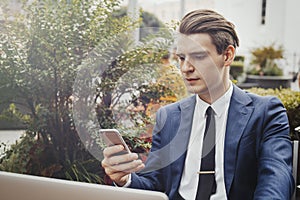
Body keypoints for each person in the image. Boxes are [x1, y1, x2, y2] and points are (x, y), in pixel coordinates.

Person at [101, 9, 294, 199]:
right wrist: (125, 178)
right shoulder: (168, 117)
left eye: (199, 56)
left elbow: (276, 179)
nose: (186, 68)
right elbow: (154, 184)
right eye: (182, 58)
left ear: (227, 55)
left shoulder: (266, 112)